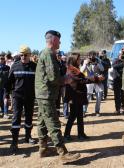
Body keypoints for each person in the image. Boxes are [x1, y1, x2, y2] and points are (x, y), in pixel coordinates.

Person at [35, 30, 80, 162]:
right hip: (46, 94)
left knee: (42, 122)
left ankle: (43, 148)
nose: (60, 42)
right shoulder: (48, 54)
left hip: (43, 93)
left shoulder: (45, 53)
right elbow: (53, 77)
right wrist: (67, 78)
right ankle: (63, 153)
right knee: (53, 122)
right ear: (53, 40)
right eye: (59, 40)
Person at [64, 52, 104, 140]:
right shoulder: (71, 69)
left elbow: (82, 79)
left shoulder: (75, 68)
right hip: (74, 96)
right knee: (72, 116)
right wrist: (96, 78)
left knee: (79, 116)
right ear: (74, 60)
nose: (80, 60)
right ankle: (66, 135)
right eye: (78, 59)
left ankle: (81, 134)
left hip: (78, 96)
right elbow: (82, 80)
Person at [5, 45, 37, 154]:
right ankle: (14, 142)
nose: (23, 57)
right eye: (21, 55)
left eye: (25, 55)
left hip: (30, 97)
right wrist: (6, 96)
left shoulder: (34, 66)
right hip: (17, 96)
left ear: (30, 55)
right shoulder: (15, 66)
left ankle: (28, 137)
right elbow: (8, 82)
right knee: (16, 118)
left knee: (29, 117)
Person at [80, 51, 104, 117]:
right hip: (89, 81)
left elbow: (102, 69)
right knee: (87, 97)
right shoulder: (86, 62)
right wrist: (85, 64)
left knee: (99, 97)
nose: (92, 57)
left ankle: (97, 111)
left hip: (98, 81)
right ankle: (83, 111)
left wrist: (98, 63)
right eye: (91, 55)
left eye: (94, 55)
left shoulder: (98, 61)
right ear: (88, 56)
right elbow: (81, 71)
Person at [0, 54, 10, 119]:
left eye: (3, 58)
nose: (1, 60)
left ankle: (5, 113)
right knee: (0, 100)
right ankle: (3, 112)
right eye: (0, 58)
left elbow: (9, 77)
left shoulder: (7, 67)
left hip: (5, 87)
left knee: (5, 100)